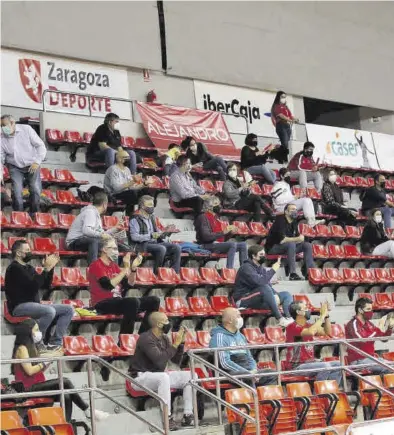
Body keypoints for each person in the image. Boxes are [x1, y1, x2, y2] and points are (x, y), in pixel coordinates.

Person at [11, 319, 109, 421]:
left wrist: (52, 359)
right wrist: (48, 359)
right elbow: (30, 371)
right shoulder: (22, 348)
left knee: (66, 394)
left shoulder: (32, 347)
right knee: (65, 381)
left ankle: (66, 424)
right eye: (36, 330)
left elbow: (38, 371)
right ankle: (87, 409)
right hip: (27, 388)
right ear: (28, 332)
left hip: (37, 385)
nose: (38, 332)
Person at [5, 240, 73, 353]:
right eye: (27, 250)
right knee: (49, 311)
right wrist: (45, 269)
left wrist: (50, 269)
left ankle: (54, 343)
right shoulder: (14, 269)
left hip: (34, 305)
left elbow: (45, 285)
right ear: (18, 253)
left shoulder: (29, 268)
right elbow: (33, 285)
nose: (30, 252)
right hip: (19, 307)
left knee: (68, 309)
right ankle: (36, 341)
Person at [129, 312, 194, 430]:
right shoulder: (145, 338)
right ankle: (167, 418)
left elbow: (176, 361)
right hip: (139, 378)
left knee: (190, 376)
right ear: (159, 324)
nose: (169, 323)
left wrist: (181, 344)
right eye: (166, 320)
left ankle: (188, 415)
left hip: (159, 376)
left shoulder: (164, 338)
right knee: (163, 377)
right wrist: (175, 344)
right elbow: (159, 360)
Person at [88, 239, 160, 336]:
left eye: (116, 249)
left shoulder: (114, 266)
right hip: (101, 303)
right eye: (113, 249)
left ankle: (143, 336)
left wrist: (133, 269)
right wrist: (125, 269)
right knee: (132, 302)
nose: (116, 252)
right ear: (104, 249)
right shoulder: (96, 265)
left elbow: (129, 284)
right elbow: (107, 285)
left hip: (118, 302)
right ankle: (125, 338)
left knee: (154, 301)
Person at [209, 308, 277, 385]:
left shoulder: (241, 336)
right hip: (229, 373)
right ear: (230, 320)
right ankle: (253, 396)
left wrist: (254, 370)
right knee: (247, 377)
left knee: (271, 374)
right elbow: (224, 363)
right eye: (238, 316)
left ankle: (269, 397)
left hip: (247, 371)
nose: (241, 318)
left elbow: (249, 357)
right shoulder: (219, 337)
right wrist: (248, 373)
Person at [233, 245, 293, 328]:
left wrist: (274, 295)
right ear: (253, 256)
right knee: (264, 288)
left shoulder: (261, 268)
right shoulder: (246, 268)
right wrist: (273, 270)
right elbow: (260, 282)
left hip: (258, 299)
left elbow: (266, 284)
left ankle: (289, 318)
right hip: (243, 300)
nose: (264, 256)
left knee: (286, 294)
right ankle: (280, 319)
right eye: (261, 255)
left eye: (264, 254)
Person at [285, 301, 343, 385]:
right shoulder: (292, 327)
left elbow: (327, 332)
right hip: (297, 366)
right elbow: (311, 332)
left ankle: (331, 390)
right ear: (298, 312)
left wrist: (326, 316)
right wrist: (322, 315)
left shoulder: (308, 325)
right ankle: (319, 394)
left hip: (311, 363)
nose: (309, 310)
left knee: (339, 365)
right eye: (305, 308)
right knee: (325, 367)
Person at [1, 114, 46, 213]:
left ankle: (34, 214)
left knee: (35, 190)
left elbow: (40, 146)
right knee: (17, 193)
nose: (3, 128)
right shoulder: (1, 138)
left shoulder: (27, 130)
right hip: (14, 166)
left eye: (4, 125)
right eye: (1, 126)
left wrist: (37, 162)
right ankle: (19, 216)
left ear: (12, 123)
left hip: (32, 164)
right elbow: (0, 158)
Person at [129, 195, 182, 273]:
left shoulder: (151, 217)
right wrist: (151, 236)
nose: (152, 207)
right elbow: (134, 237)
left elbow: (157, 232)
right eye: (150, 205)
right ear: (142, 206)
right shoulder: (134, 218)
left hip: (154, 242)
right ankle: (156, 273)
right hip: (141, 245)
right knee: (161, 248)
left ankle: (174, 273)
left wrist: (166, 232)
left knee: (177, 247)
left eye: (153, 205)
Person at [265, 203, 316, 280]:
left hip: (287, 247)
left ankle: (309, 272)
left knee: (307, 245)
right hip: (273, 248)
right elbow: (282, 240)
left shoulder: (294, 221)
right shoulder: (280, 220)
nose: (295, 211)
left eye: (296, 209)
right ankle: (293, 273)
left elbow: (297, 237)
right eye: (292, 209)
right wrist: (298, 239)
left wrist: (301, 238)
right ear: (286, 212)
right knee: (291, 244)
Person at [66, 192, 119, 264]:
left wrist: (115, 229)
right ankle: (93, 269)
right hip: (73, 242)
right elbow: (86, 230)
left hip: (85, 241)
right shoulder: (90, 212)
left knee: (111, 242)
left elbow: (101, 233)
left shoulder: (97, 215)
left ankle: (113, 270)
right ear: (104, 205)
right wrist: (101, 235)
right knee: (94, 241)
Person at [194, 196, 247, 269]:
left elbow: (222, 239)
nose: (219, 206)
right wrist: (223, 232)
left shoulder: (216, 218)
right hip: (206, 244)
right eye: (216, 204)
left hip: (216, 244)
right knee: (232, 244)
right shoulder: (202, 217)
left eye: (219, 203)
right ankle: (229, 269)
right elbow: (206, 236)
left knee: (243, 245)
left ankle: (244, 269)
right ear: (209, 207)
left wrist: (230, 233)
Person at [345, 297, 394, 374]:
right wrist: (375, 331)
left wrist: (390, 328)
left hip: (371, 358)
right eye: (368, 309)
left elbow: (384, 339)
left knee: (392, 365)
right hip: (358, 361)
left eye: (371, 309)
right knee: (389, 368)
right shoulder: (352, 324)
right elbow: (362, 341)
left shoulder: (369, 324)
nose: (371, 312)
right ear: (360, 310)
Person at [271, 91, 298, 157]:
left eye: (284, 97)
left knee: (286, 143)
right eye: (282, 97)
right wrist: (289, 120)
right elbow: (280, 115)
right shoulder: (276, 106)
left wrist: (295, 119)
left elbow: (290, 115)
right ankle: (282, 157)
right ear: (278, 97)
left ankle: (281, 156)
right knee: (285, 143)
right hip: (281, 125)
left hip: (287, 126)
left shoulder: (286, 107)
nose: (284, 98)